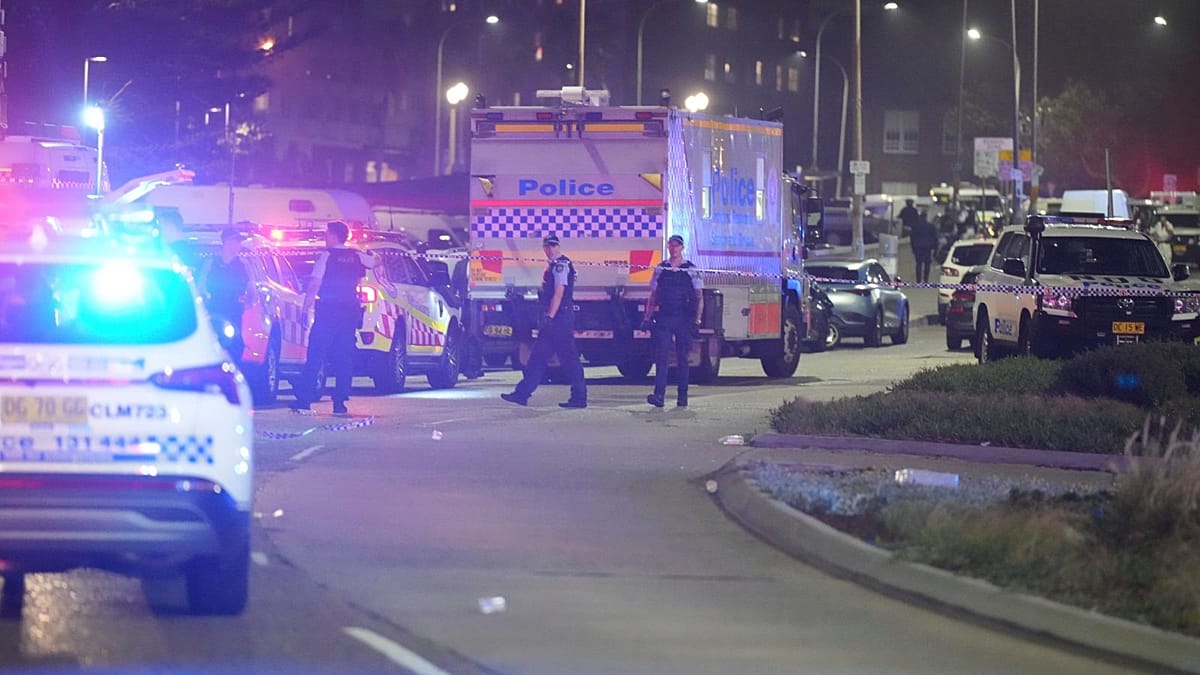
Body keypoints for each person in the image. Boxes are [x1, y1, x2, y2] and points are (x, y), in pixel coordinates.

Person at [290, 220, 377, 415]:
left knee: (316, 354)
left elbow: (314, 285)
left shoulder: (326, 256)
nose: (324, 237)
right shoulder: (356, 255)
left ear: (335, 235)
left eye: (327, 234)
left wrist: (306, 308)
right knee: (343, 357)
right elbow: (375, 261)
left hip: (328, 312)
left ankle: (304, 400)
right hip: (349, 313)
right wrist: (371, 252)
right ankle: (340, 403)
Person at [501, 234, 587, 408]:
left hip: (559, 319)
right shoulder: (555, 265)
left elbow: (559, 292)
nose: (549, 249)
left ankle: (579, 397)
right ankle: (522, 394)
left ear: (557, 246)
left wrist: (550, 316)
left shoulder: (560, 266)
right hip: (558, 319)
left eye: (552, 246)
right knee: (539, 358)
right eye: (547, 246)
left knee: (568, 360)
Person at [643, 234, 704, 408]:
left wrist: (697, 321)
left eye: (677, 245)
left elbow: (699, 297)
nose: (674, 248)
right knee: (661, 357)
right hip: (664, 317)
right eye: (671, 245)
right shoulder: (661, 268)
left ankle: (682, 397)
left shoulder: (690, 269)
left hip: (683, 318)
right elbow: (653, 295)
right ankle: (659, 396)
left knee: (682, 358)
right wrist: (647, 318)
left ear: (682, 248)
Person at [198, 227, 254, 365]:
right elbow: (201, 286)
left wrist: (249, 301)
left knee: (237, 345)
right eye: (236, 241)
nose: (239, 245)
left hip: (234, 310)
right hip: (215, 309)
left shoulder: (243, 264)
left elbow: (251, 286)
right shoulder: (211, 263)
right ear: (227, 242)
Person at [909, 212, 940, 283]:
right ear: (926, 217)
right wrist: (935, 249)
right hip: (927, 247)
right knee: (927, 264)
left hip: (918, 247)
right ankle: (925, 279)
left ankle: (918, 280)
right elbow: (935, 238)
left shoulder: (915, 226)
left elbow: (912, 238)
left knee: (918, 263)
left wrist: (913, 248)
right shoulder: (931, 226)